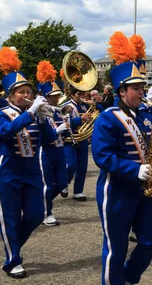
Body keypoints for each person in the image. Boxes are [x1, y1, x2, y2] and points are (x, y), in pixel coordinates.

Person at [91, 32, 152, 285]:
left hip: (144, 190)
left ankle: (129, 276)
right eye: (136, 88)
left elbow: (145, 146)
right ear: (121, 91)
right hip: (117, 191)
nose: (141, 92)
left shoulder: (146, 115)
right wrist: (133, 169)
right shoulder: (108, 118)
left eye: (142, 87)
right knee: (116, 248)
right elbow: (102, 156)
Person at [0, 47, 49, 278]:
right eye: (21, 92)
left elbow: (50, 141)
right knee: (10, 217)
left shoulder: (33, 112)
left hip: (31, 171)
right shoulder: (3, 113)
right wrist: (30, 114)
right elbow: (7, 132)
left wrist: (44, 119)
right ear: (10, 96)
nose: (27, 95)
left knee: (35, 215)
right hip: (8, 170)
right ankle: (12, 260)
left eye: (29, 91)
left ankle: (14, 246)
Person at [36, 61, 69, 227]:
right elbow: (43, 137)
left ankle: (43, 202)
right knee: (47, 185)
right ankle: (46, 213)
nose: (57, 99)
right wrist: (57, 131)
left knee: (63, 182)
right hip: (46, 152)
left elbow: (64, 129)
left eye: (57, 96)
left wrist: (68, 125)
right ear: (46, 97)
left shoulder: (57, 112)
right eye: (54, 96)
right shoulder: (38, 114)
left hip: (60, 150)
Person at [60, 87, 92, 201]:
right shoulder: (67, 106)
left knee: (82, 167)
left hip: (82, 139)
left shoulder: (84, 105)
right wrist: (80, 119)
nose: (81, 96)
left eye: (83, 93)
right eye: (79, 94)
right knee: (72, 165)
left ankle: (78, 191)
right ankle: (64, 183)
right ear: (73, 94)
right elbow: (64, 123)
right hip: (70, 139)